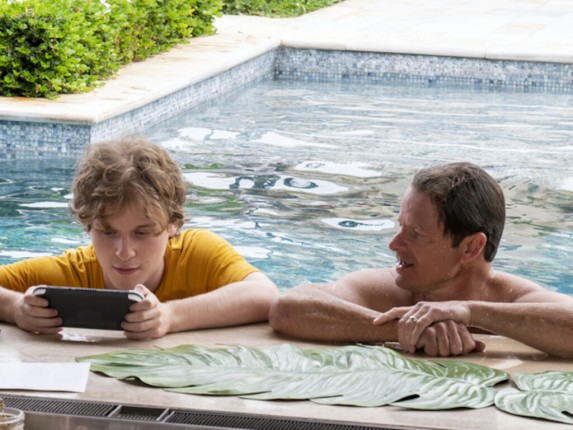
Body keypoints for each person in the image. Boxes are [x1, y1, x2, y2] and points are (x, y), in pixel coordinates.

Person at [269, 162, 573, 358]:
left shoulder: (512, 299)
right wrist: (408, 329)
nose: (393, 244)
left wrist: (468, 312)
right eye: (400, 226)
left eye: (415, 234)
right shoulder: (392, 291)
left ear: (470, 248)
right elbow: (288, 308)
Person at [0, 137, 279, 339]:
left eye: (142, 233)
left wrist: (170, 316)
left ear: (172, 225)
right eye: (108, 232)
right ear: (88, 226)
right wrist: (15, 308)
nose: (124, 252)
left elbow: (266, 295)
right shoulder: (72, 272)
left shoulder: (197, 254)